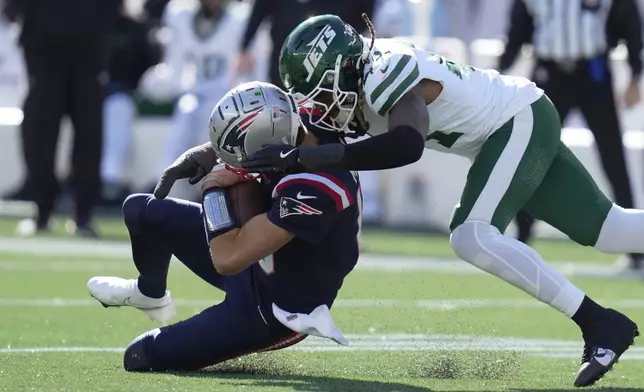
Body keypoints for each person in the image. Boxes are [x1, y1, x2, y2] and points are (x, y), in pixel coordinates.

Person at [231, 14, 641, 387]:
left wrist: (303, 157)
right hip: (508, 129)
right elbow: (295, 137)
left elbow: (407, 144)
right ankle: (601, 323)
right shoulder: (356, 82)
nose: (317, 106)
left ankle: (599, 323)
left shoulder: (386, 69)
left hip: (518, 120)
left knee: (471, 235)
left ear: (344, 67)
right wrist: (214, 157)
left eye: (319, 92)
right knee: (611, 230)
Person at [87, 81, 361, 371]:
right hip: (257, 258)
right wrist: (207, 153)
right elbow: (259, 131)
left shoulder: (318, 187)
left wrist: (213, 189)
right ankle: (150, 293)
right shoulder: (299, 122)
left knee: (139, 356)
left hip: (275, 307)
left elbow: (227, 258)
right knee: (139, 210)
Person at [498, 0, 644, 270]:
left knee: (613, 157)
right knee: (532, 153)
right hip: (549, 71)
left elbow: (629, 20)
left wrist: (635, 74)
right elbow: (518, 28)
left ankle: (636, 247)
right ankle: (522, 237)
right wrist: (497, 73)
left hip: (593, 72)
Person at [3, 0, 119, 237]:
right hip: (44, 47)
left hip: (88, 48)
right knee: (39, 134)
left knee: (88, 134)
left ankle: (83, 213)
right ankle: (42, 209)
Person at [140, 0, 263, 199]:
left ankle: (209, 186)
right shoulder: (180, 14)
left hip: (227, 97)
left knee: (210, 121)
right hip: (193, 93)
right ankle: (162, 178)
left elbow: (255, 68)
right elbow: (174, 66)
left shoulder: (241, 19)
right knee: (187, 111)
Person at [101, 1, 162, 207]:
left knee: (117, 109)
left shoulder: (136, 27)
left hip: (125, 95)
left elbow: (151, 65)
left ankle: (110, 181)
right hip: (92, 93)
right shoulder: (92, 26)